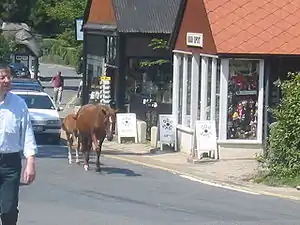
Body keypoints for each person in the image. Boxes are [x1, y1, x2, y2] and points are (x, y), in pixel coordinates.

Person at [0, 63, 37, 225]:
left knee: (8, 209)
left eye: (9, 77)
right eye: (2, 77)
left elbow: (27, 134)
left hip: (10, 163)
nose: (7, 80)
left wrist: (30, 161)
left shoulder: (19, 104)